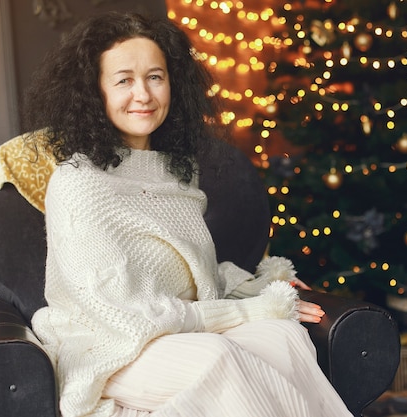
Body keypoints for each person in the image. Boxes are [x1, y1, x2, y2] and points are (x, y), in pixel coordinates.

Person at [23, 11, 353, 417]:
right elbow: (123, 316)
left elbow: (194, 274)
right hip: (111, 347)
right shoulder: (78, 183)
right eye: (124, 79)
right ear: (94, 92)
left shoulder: (174, 172)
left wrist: (263, 285)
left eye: (155, 77)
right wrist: (249, 311)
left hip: (176, 331)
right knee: (218, 357)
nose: (143, 94)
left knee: (284, 337)